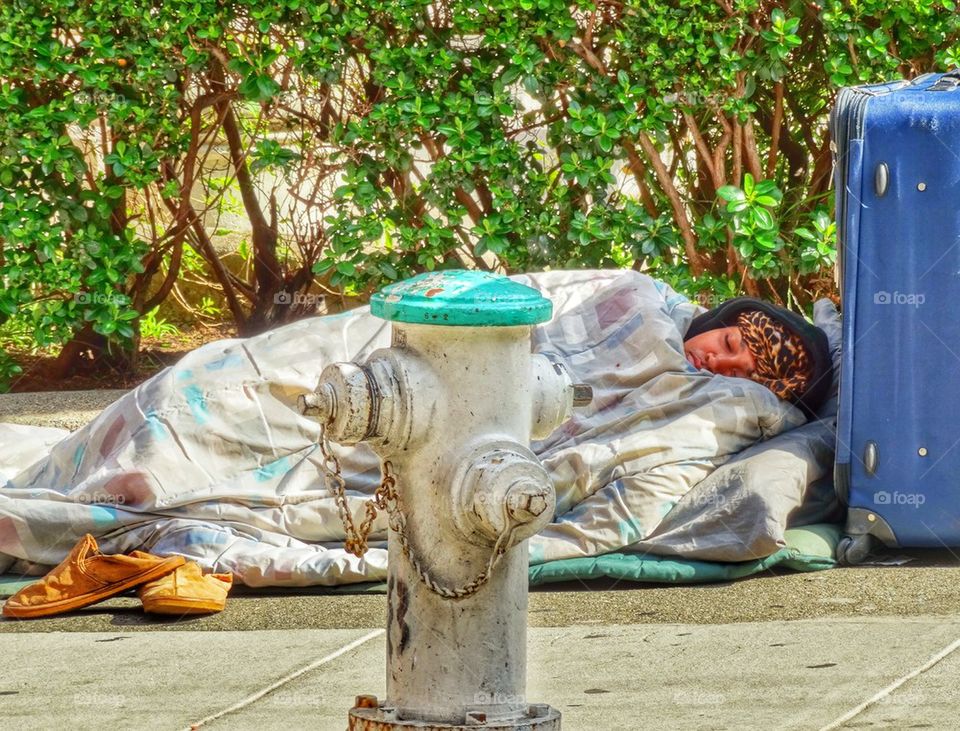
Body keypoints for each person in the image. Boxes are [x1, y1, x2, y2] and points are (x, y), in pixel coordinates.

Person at [682, 296, 833, 420]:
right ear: (718, 324)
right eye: (728, 343)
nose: (715, 362)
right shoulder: (664, 306)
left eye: (736, 375)